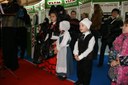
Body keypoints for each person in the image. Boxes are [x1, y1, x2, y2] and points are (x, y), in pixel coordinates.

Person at [73, 18, 95, 85]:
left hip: (87, 58)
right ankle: (80, 80)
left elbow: (89, 49)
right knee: (79, 70)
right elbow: (76, 45)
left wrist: (81, 56)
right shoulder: (80, 35)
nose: (80, 27)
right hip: (79, 57)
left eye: (82, 25)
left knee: (87, 72)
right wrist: (75, 53)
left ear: (88, 27)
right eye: (80, 25)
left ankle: (86, 83)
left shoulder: (91, 37)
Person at [109, 19, 128, 85]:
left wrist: (117, 62)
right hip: (117, 70)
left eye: (125, 25)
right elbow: (113, 49)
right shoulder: (121, 37)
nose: (122, 27)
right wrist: (112, 60)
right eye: (123, 25)